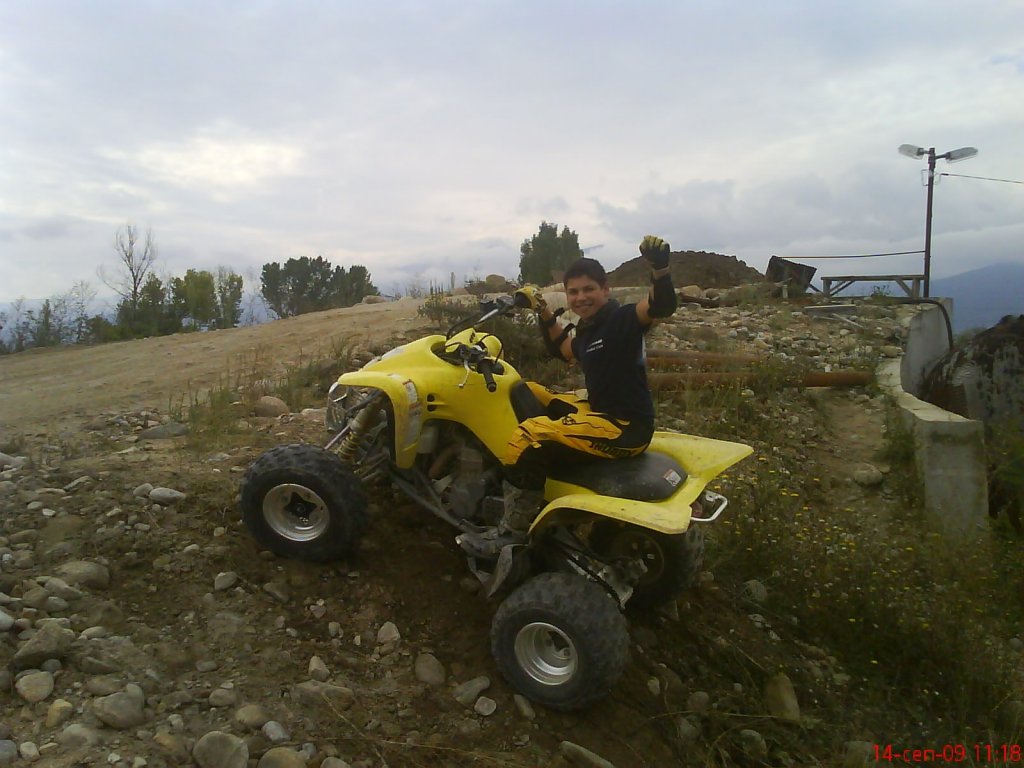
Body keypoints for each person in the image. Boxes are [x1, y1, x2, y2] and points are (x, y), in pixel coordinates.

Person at [500, 235, 678, 533]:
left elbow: (660, 305)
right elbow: (563, 349)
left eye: (588, 289)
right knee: (526, 389)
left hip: (624, 428)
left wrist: (660, 269)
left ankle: (514, 529)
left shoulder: (622, 319)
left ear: (605, 290)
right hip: (599, 412)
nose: (580, 297)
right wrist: (542, 309)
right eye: (573, 292)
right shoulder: (589, 330)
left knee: (529, 435)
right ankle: (546, 461)